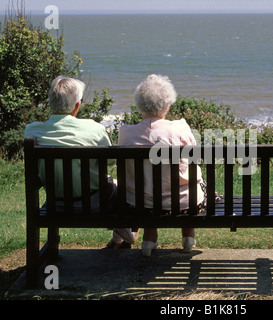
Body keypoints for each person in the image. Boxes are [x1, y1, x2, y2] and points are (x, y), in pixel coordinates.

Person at [24, 75, 138, 249]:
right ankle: (126, 234)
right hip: (93, 204)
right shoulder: (94, 129)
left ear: (50, 102)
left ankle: (120, 238)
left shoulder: (32, 131)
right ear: (77, 105)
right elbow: (110, 161)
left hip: (56, 204)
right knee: (120, 188)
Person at [118, 74, 206, 256]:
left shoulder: (126, 134)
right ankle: (188, 235)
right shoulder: (180, 128)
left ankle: (149, 238)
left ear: (139, 105)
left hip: (139, 204)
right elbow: (193, 158)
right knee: (192, 183)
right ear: (167, 105)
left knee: (150, 192)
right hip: (183, 203)